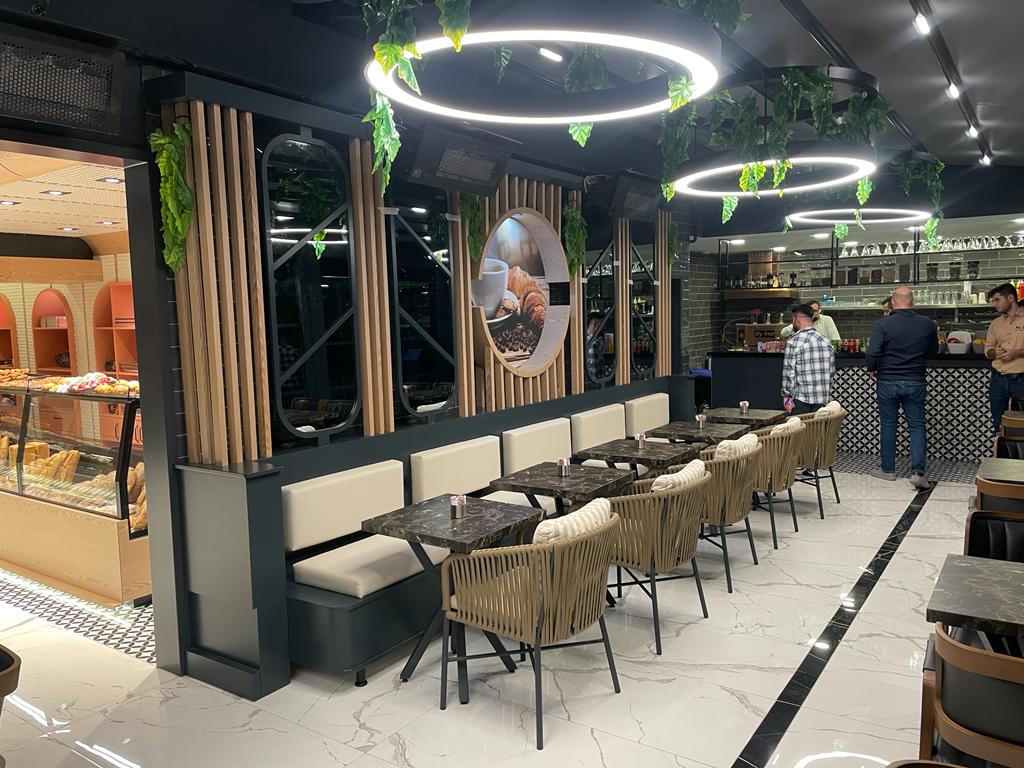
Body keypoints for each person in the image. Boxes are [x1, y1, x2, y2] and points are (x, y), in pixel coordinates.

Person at [865, 286, 937, 489]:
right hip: (915, 380)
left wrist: (873, 368)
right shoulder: (927, 323)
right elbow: (933, 350)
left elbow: (872, 352)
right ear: (912, 302)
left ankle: (888, 470)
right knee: (917, 426)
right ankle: (918, 473)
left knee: (888, 425)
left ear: (893, 303)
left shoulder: (883, 324)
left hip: (887, 380)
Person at [781, 303, 835, 415]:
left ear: (796, 318)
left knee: (799, 426)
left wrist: (787, 398)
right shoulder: (826, 342)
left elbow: (789, 374)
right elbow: (831, 372)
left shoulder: (793, 342)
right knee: (817, 427)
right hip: (822, 400)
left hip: (800, 400)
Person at [984, 282, 1024, 432]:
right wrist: (995, 352)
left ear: (1011, 298)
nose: (994, 304)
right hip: (998, 379)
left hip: (1021, 378)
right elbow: (988, 350)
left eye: (997, 300)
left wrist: (1016, 353)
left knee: (1021, 427)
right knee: (998, 424)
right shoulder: (995, 323)